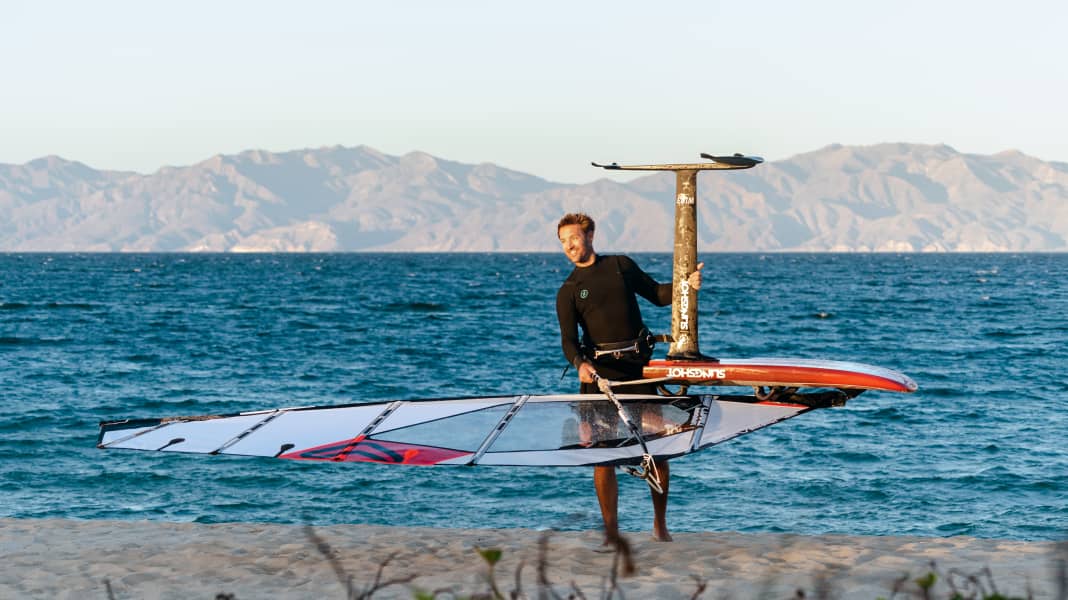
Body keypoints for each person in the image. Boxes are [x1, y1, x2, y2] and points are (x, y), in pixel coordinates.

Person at [554, 212, 702, 546]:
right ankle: (611, 532)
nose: (569, 246)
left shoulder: (620, 265)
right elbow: (568, 341)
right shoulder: (569, 291)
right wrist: (579, 363)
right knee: (603, 455)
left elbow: (658, 295)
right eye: (563, 241)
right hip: (599, 377)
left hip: (637, 371)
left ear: (590, 235)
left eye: (573, 237)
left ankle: (660, 525)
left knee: (656, 448)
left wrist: (686, 286)